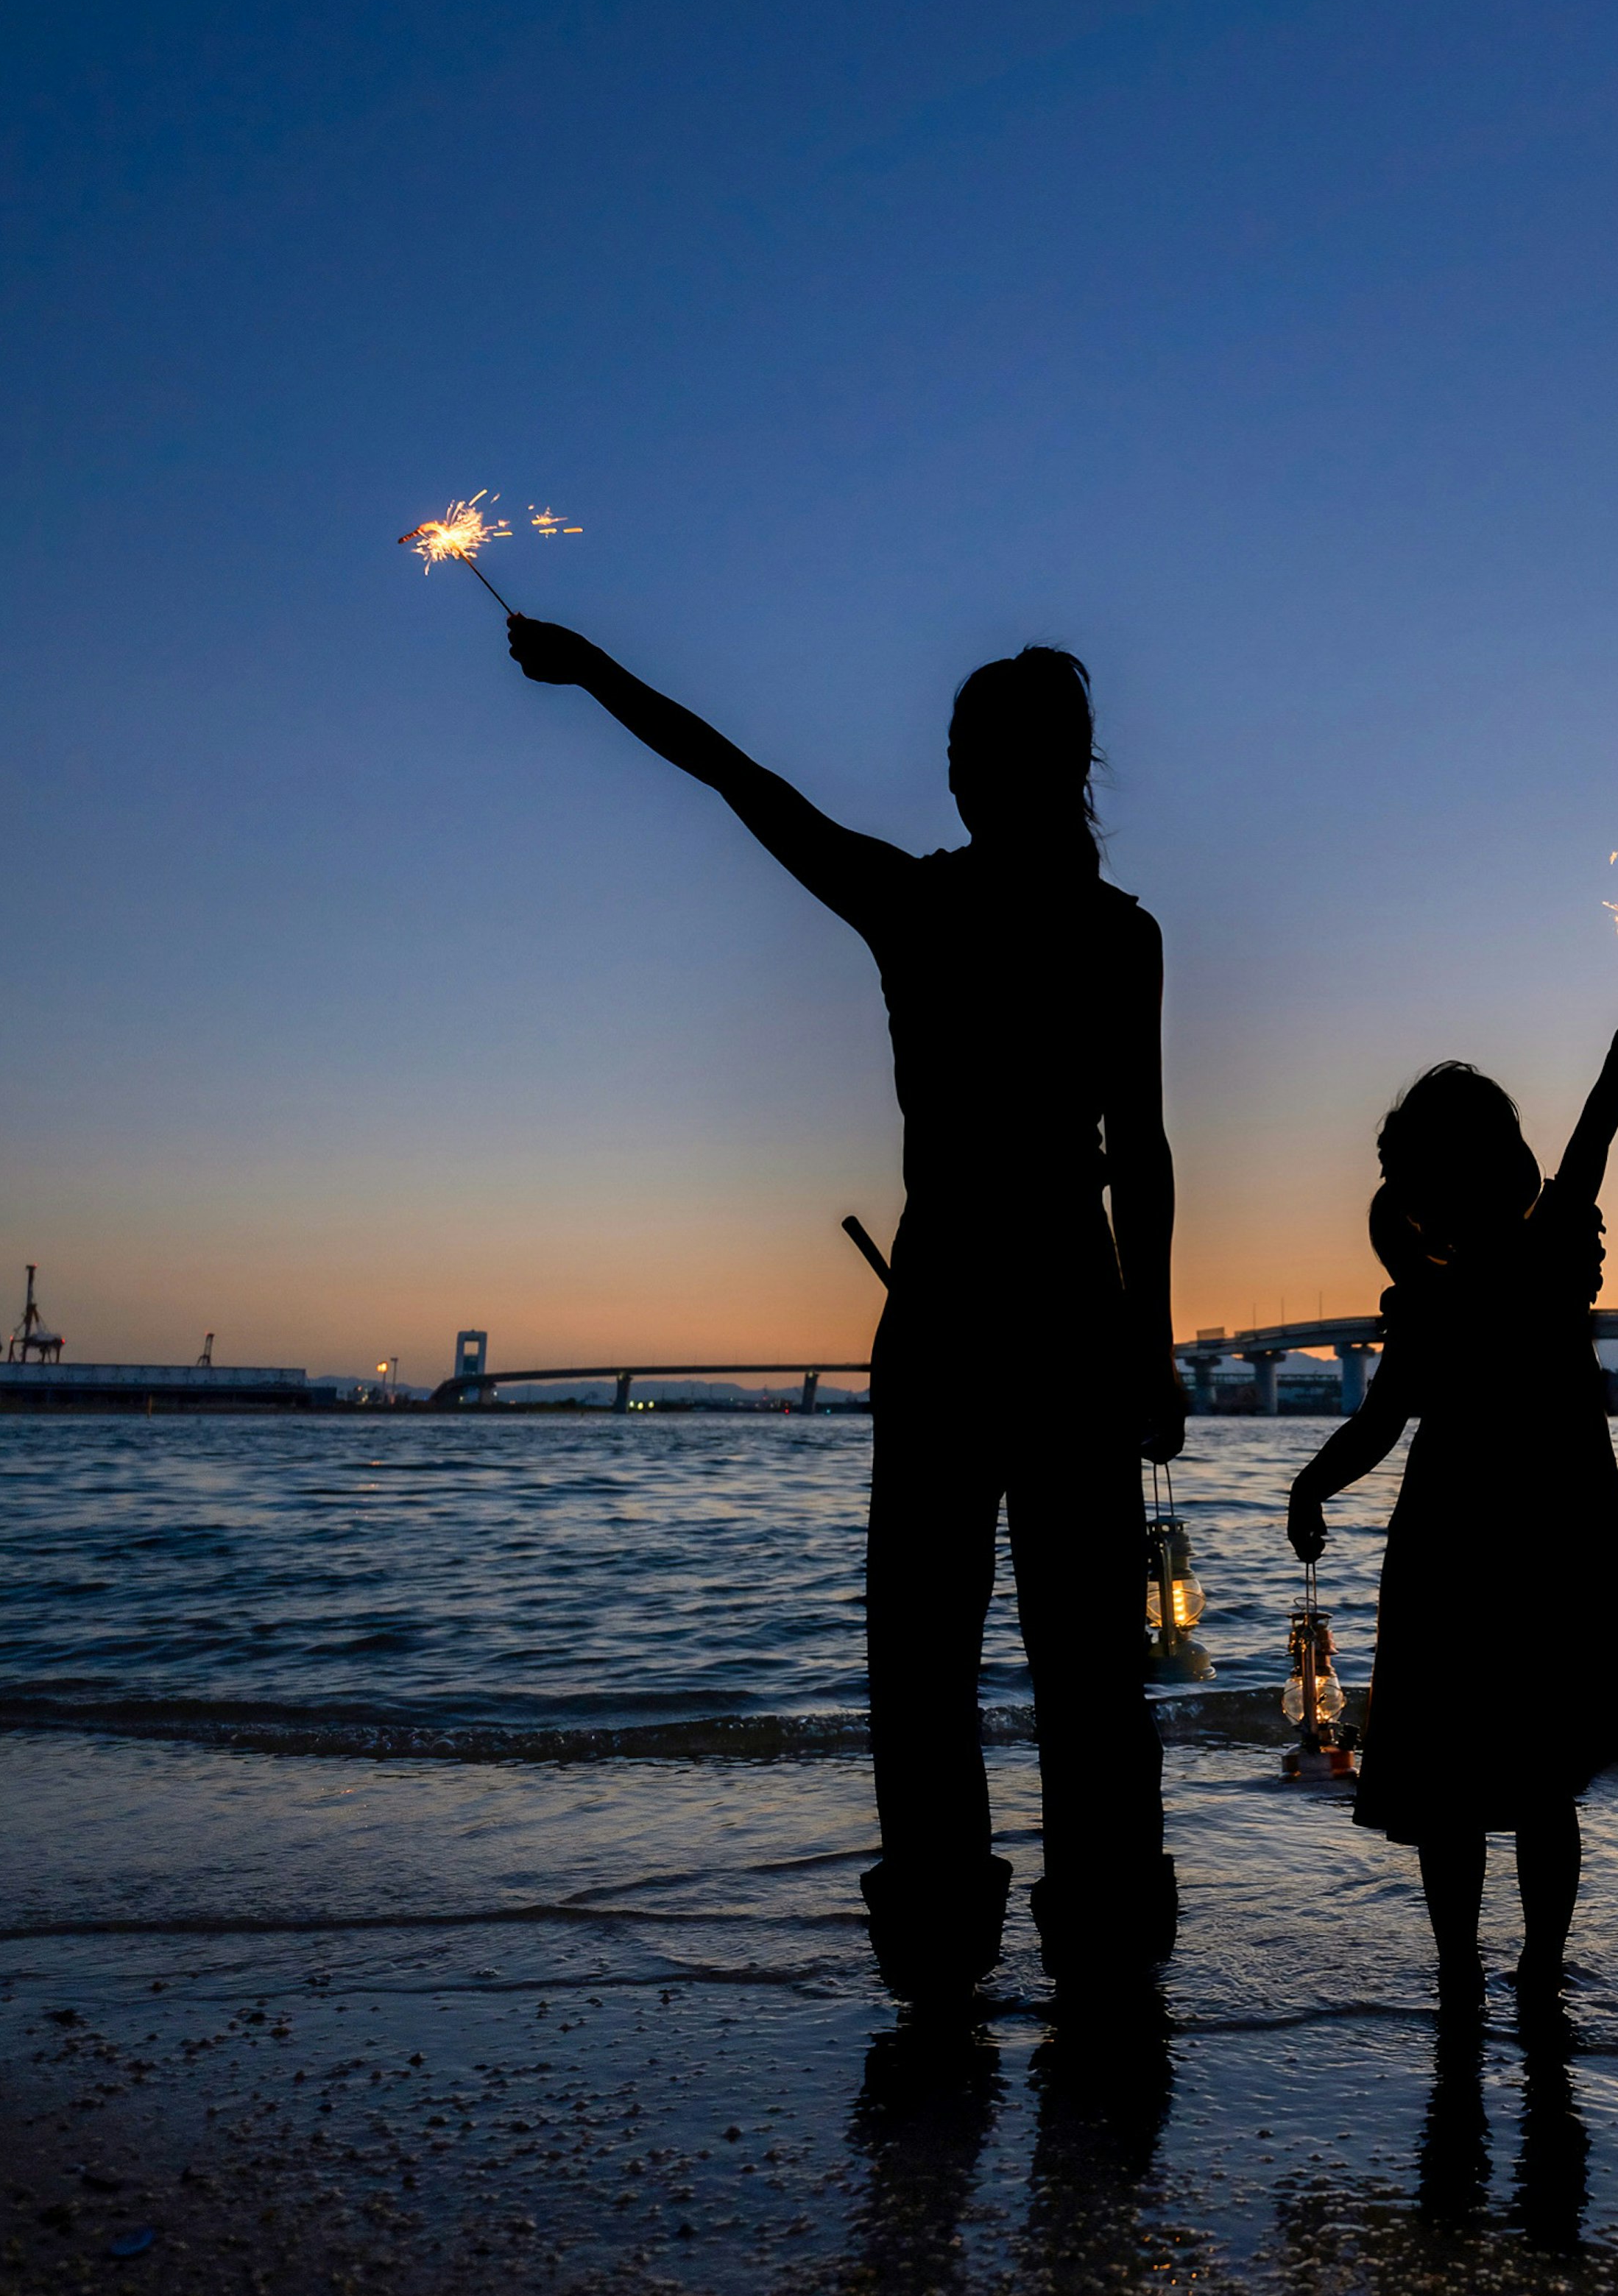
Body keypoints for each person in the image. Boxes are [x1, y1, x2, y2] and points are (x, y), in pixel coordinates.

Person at [506, 616, 1185, 1994]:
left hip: (943, 1313)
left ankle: (940, 1957)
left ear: (994, 778)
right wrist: (1149, 1346)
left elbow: (736, 778)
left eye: (958, 758)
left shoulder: (915, 904)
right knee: (1088, 1669)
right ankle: (1107, 1956)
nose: (948, 780)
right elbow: (1146, 1158)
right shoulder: (1116, 935)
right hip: (1066, 1311)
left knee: (924, 1660)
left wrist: (596, 674)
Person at [1287, 1014, 1618, 2015]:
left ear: (1417, 1198)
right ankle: (1540, 1966)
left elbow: (1377, 1425)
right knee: (1546, 1778)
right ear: (1513, 1169)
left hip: (1450, 1548)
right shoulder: (1548, 1267)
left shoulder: (1428, 1304)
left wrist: (1310, 1488)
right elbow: (1592, 1145)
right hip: (1558, 1539)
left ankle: (1460, 1971)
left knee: (1447, 1784)